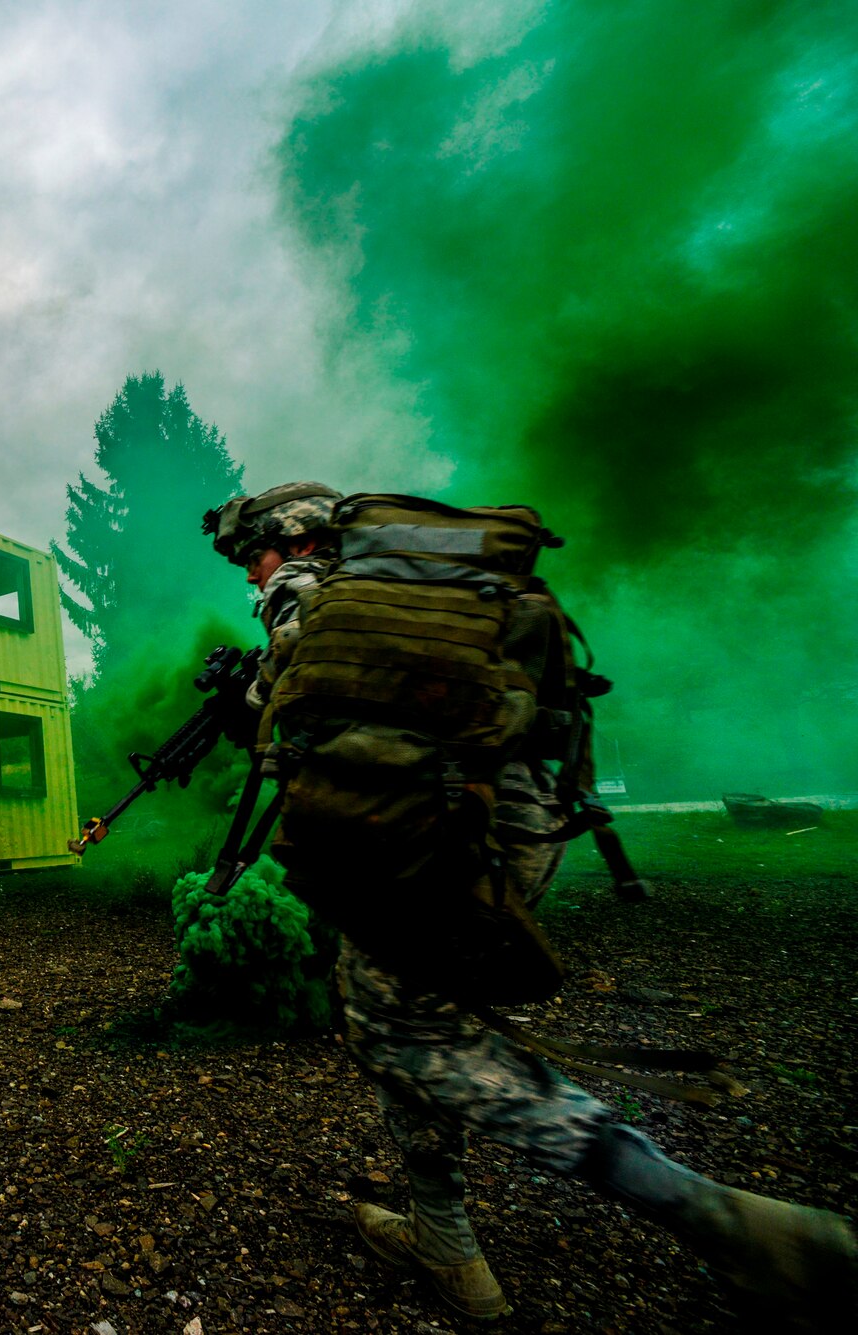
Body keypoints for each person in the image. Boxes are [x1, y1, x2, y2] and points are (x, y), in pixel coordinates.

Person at [207, 484, 856, 1328]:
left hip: (436, 835)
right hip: (517, 820)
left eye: (248, 554)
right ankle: (446, 1242)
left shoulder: (307, 586)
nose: (249, 572)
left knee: (397, 1029)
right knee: (420, 1015)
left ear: (282, 536)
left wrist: (248, 697)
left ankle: (726, 1222)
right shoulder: (439, 586)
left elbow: (292, 699)